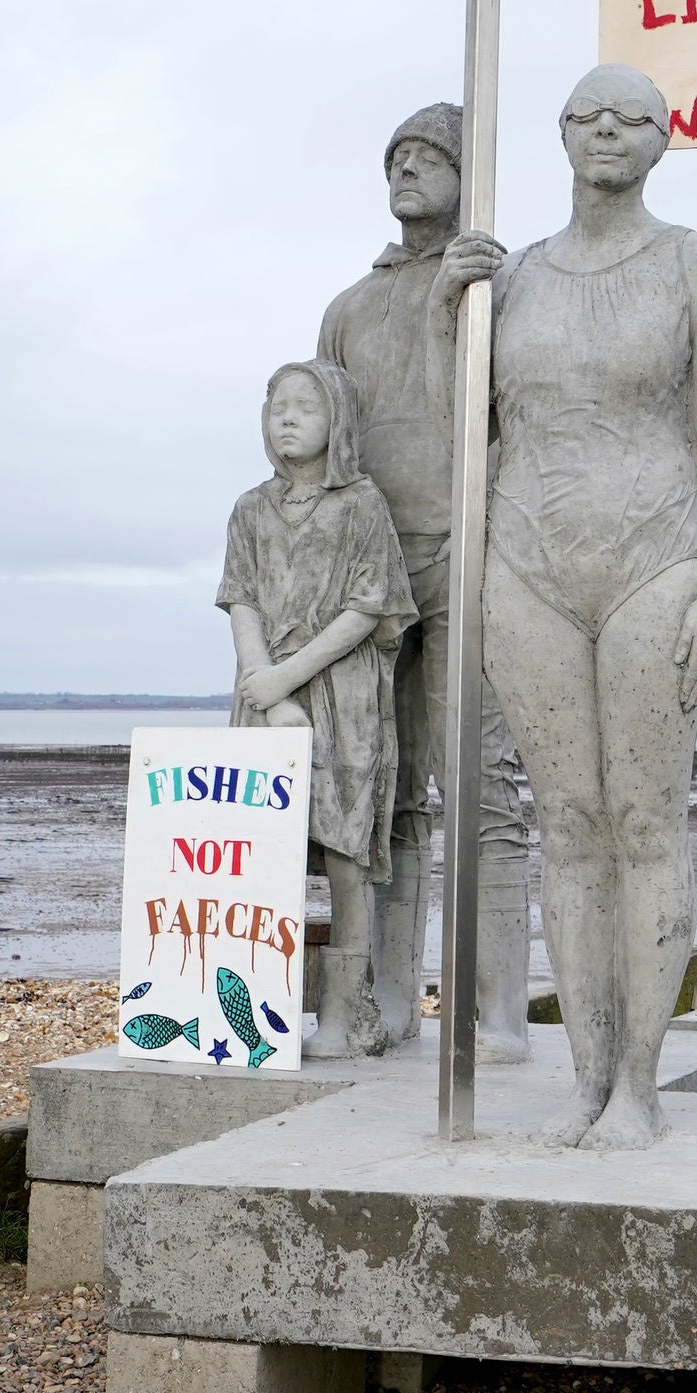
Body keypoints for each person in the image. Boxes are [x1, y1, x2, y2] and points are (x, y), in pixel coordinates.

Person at [445, 65, 697, 1149]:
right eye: (587, 115)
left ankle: (640, 1080)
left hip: (654, 554)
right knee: (565, 822)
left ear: (664, 140)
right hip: (526, 558)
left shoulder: (695, 264)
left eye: (631, 117)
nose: (608, 130)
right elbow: (472, 430)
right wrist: (455, 309)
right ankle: (584, 1074)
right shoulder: (512, 274)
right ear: (561, 133)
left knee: (641, 817)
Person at [316, 104, 540, 1058]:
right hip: (372, 567)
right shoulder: (349, 308)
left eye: (428, 158)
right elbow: (325, 451)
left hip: (468, 550)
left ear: (465, 173)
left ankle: (498, 1013)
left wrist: (458, 307)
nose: (408, 171)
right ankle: (392, 1002)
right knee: (382, 788)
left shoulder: (497, 280)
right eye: (396, 158)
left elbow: (511, 412)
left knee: (482, 783)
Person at [217, 361, 417, 1059]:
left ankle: (344, 1011)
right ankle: (255, 1008)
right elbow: (240, 597)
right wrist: (263, 684)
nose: (288, 419)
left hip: (342, 695)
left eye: (305, 406)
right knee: (258, 845)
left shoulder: (361, 504)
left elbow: (369, 606)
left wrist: (290, 679)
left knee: (344, 848)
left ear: (337, 421)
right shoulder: (250, 508)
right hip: (264, 695)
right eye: (277, 407)